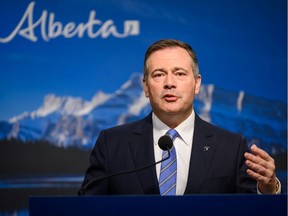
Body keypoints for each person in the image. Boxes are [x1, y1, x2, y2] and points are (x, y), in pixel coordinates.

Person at [79, 39, 281, 195]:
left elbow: (251, 208)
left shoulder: (231, 147)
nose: (169, 83)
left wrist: (268, 188)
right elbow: (86, 208)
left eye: (180, 73)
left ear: (197, 84)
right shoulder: (112, 144)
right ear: (146, 87)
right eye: (158, 74)